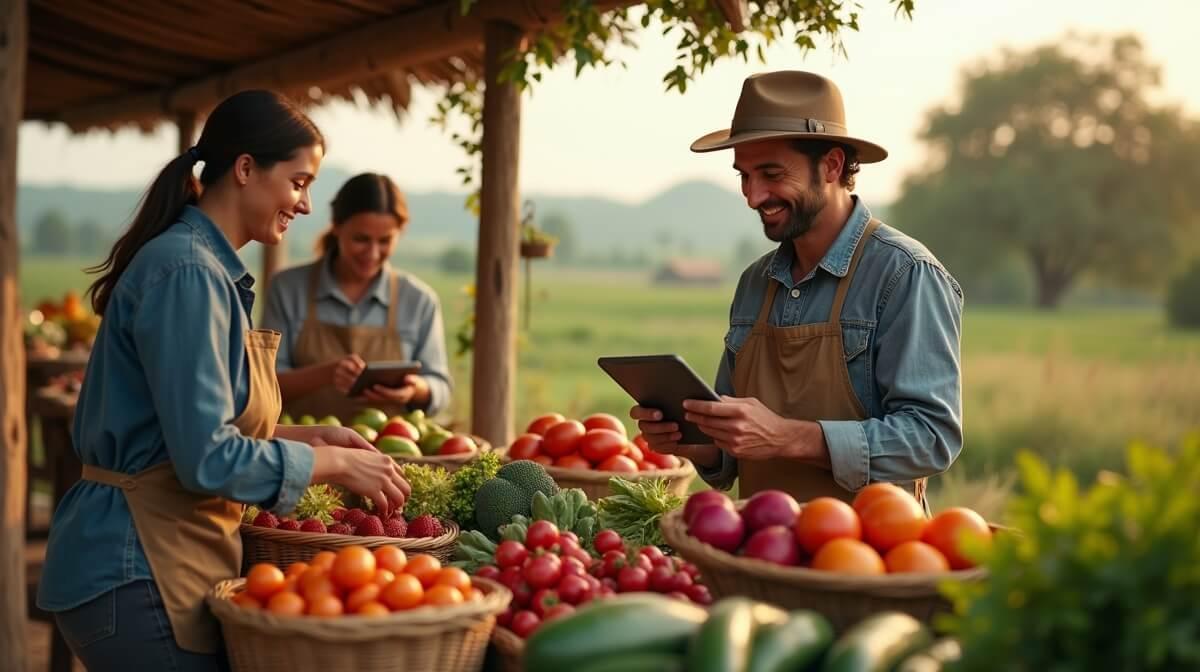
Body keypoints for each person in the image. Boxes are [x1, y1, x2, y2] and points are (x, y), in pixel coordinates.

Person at [37, 90, 411, 672]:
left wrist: (312, 441)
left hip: (158, 558)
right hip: (138, 565)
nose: (306, 205)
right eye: (298, 182)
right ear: (244, 170)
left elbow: (188, 428)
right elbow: (205, 458)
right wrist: (333, 468)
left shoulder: (203, 267)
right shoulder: (188, 271)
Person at [632, 71, 964, 506]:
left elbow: (931, 438)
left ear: (831, 166)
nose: (753, 196)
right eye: (744, 176)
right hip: (762, 549)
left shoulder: (905, 274)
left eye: (770, 174)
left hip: (869, 559)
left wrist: (788, 437)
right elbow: (734, 452)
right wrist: (695, 441)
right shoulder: (755, 281)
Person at [262, 172, 452, 424]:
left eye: (385, 241)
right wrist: (326, 374)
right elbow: (263, 383)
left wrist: (415, 389)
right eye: (361, 239)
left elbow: (440, 386)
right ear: (337, 226)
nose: (372, 253)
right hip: (305, 454)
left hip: (391, 457)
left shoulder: (419, 300)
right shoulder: (287, 289)